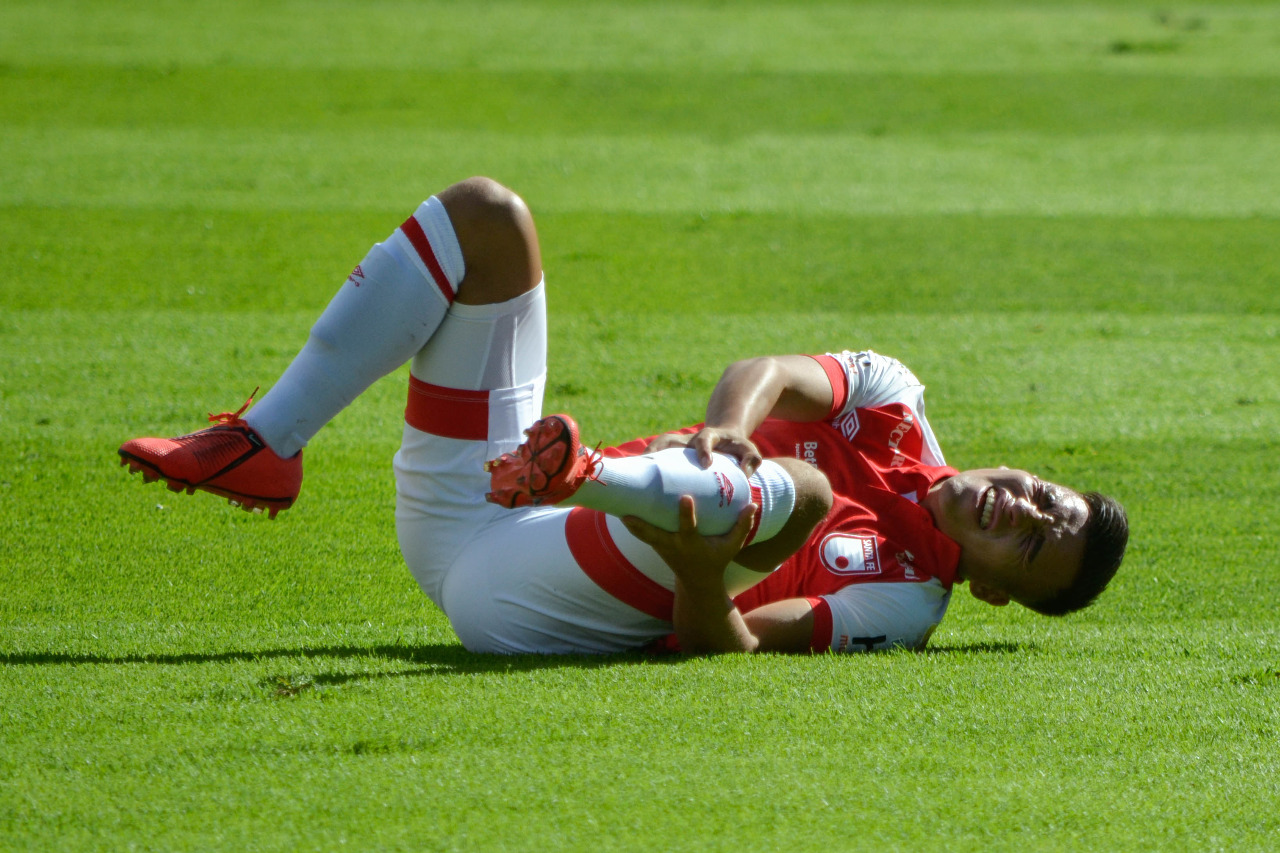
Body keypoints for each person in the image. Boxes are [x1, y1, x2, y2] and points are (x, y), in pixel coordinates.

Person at [118, 177, 1128, 655]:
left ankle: (586, 470)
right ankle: (268, 440)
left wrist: (701, 573)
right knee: (488, 219)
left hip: (527, 603)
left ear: (992, 591)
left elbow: (733, 645)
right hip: (480, 508)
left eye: (1032, 546)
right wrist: (730, 428)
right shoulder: (897, 398)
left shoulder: (904, 604)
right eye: (1046, 499)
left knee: (807, 492)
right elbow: (765, 371)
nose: (1022, 511)